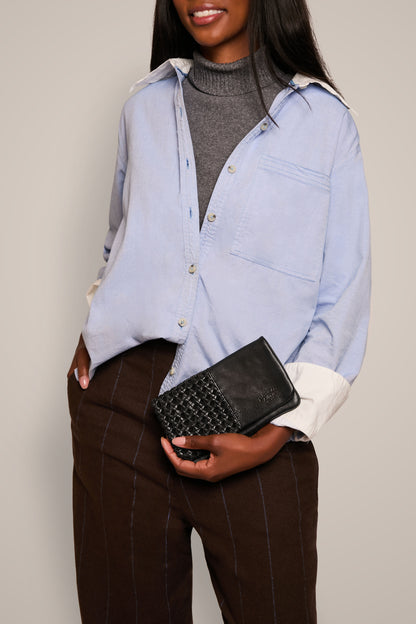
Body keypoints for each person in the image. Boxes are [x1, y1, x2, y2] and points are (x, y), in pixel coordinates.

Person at [67, 0, 371, 622]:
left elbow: (344, 296)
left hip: (254, 405)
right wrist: (96, 325)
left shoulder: (324, 122)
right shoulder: (144, 106)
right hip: (121, 402)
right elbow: (121, 238)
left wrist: (278, 434)